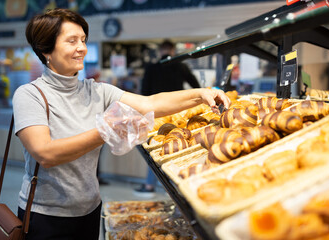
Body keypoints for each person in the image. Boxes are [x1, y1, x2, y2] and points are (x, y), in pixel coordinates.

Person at [12, 8, 230, 239]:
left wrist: (200, 94)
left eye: (84, 40)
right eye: (72, 41)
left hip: (89, 209)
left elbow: (150, 103)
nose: (82, 48)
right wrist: (106, 131)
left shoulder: (96, 90)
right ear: (46, 50)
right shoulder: (30, 95)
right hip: (46, 216)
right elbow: (45, 153)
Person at [134, 40, 201, 197]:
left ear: (160, 50)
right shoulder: (180, 66)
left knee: (155, 148)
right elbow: (196, 86)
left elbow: (144, 93)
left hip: (156, 115)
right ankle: (177, 186)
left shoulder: (152, 68)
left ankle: (150, 185)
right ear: (172, 49)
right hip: (178, 114)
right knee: (178, 147)